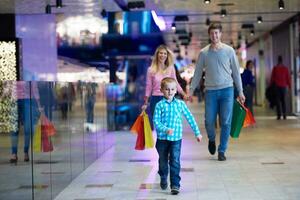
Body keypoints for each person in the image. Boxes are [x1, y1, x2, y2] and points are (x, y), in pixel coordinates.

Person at [190, 22, 245, 161]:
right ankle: (212, 139)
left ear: (220, 34)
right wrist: (190, 91)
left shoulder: (229, 51)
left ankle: (222, 150)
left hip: (227, 90)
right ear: (209, 35)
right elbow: (197, 74)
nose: (214, 35)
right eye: (212, 33)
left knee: (226, 122)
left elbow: (236, 73)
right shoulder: (204, 53)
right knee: (209, 121)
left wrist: (240, 91)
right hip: (211, 92)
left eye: (217, 33)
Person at [153, 77, 202, 195]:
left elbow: (190, 118)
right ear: (161, 90)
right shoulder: (159, 105)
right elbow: (156, 121)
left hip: (176, 139)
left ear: (176, 90)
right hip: (162, 139)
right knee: (163, 162)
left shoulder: (180, 104)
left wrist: (197, 133)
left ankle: (175, 184)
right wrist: (165, 129)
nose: (170, 92)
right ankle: (163, 176)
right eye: (167, 89)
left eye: (172, 89)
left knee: (175, 161)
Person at [141, 45, 189, 122]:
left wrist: (183, 94)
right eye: (161, 53)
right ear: (157, 55)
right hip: (155, 99)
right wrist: (146, 101)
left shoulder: (171, 68)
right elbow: (148, 86)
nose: (162, 55)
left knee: (168, 123)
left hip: (168, 98)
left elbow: (175, 82)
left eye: (164, 53)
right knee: (158, 124)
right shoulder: (150, 70)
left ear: (167, 56)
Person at [10, 81, 41, 163]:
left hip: (27, 100)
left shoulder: (28, 70)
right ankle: (13, 153)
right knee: (14, 129)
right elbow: (8, 85)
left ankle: (26, 152)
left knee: (28, 129)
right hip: (14, 100)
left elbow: (34, 87)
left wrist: (38, 104)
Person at [270, 55, 291, 120]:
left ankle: (279, 115)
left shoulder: (275, 68)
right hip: (284, 87)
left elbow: (272, 78)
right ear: (282, 61)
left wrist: (271, 86)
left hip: (277, 87)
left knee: (278, 101)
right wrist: (289, 86)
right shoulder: (285, 68)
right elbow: (288, 78)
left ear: (278, 60)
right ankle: (284, 115)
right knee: (283, 101)